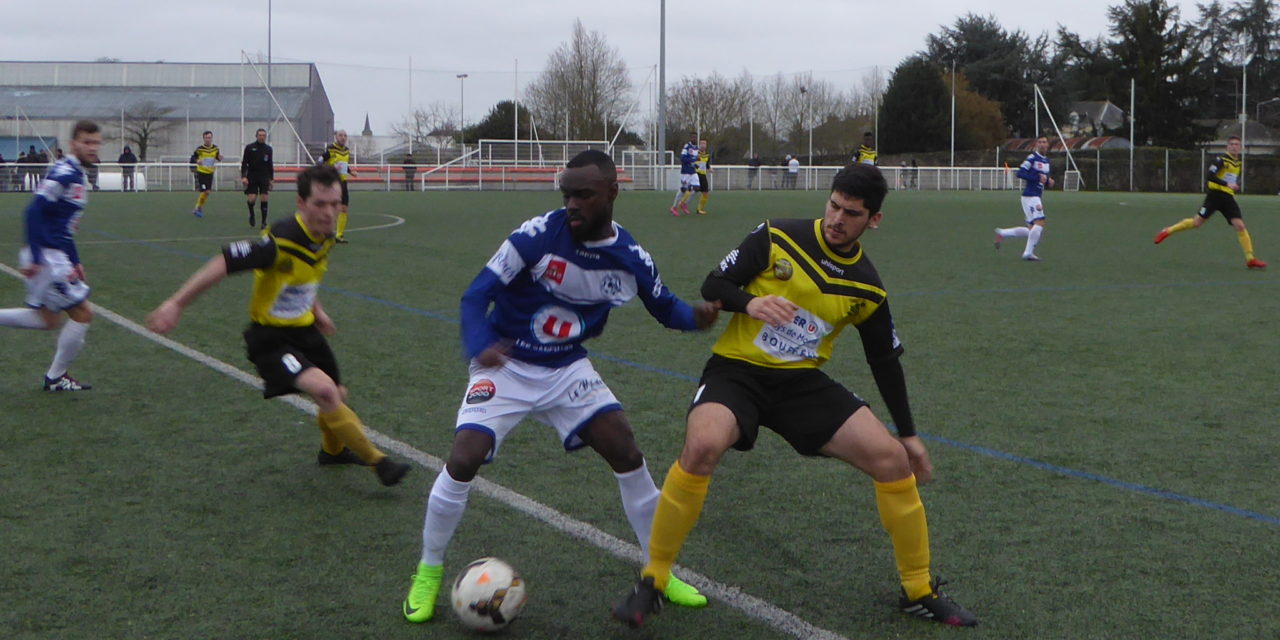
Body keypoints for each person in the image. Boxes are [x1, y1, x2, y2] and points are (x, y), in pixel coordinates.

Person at [612, 163, 979, 629]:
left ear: (874, 220)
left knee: (892, 461)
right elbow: (713, 285)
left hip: (801, 384)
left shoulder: (867, 285)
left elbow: (884, 362)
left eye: (851, 213)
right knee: (703, 445)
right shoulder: (776, 236)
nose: (836, 219)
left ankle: (918, 589)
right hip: (737, 373)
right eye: (833, 205)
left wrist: (908, 434)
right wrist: (751, 303)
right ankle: (654, 579)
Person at [402, 150, 718, 623]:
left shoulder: (629, 258)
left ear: (612, 192)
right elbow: (476, 295)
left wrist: (698, 316)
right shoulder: (534, 238)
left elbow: (666, 308)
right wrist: (481, 342)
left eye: (584, 195)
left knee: (626, 452)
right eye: (567, 194)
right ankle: (427, 572)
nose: (572, 204)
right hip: (506, 365)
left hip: (567, 369)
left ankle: (659, 572)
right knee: (464, 457)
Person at [146, 164, 412, 486]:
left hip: (305, 331)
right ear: (301, 203)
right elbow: (224, 262)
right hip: (271, 338)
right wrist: (176, 303)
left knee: (336, 394)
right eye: (320, 204)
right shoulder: (278, 242)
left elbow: (303, 276)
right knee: (326, 391)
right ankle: (379, 462)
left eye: (335, 204)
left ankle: (333, 452)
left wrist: (317, 309)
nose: (329, 213)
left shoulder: (324, 236)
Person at [0, 120, 102, 391]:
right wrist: (36, 256)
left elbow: (63, 227)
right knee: (83, 313)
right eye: (87, 142)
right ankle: (56, 377)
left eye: (96, 142)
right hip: (47, 257)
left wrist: (76, 260)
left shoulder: (75, 173)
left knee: (47, 320)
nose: (93, 148)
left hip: (55, 254)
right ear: (73, 144)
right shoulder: (66, 172)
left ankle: (56, 376)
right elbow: (33, 211)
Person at [1154, 135, 1266, 269]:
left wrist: (1231, 186)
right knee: (1197, 223)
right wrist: (1226, 184)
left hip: (1228, 198)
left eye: (1237, 144)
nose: (1234, 146)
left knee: (1240, 226)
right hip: (1214, 196)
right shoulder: (1221, 160)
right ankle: (1168, 230)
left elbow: (1231, 179)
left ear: (1240, 147)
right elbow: (1210, 176)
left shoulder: (1238, 163)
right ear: (1227, 147)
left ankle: (1250, 259)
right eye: (1232, 144)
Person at [994, 135, 1052, 261]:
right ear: (1037, 144)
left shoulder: (1046, 161)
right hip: (1031, 196)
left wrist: (1048, 182)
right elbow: (1020, 173)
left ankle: (1002, 233)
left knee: (1032, 230)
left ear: (1048, 145)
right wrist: (1037, 178)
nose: (1043, 144)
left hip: (1034, 197)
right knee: (1040, 223)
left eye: (1045, 142)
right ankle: (1028, 253)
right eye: (1040, 142)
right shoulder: (1032, 158)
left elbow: (1043, 178)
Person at [321, 130, 358, 243]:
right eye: (340, 135)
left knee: (344, 208)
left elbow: (343, 165)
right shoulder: (331, 149)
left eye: (345, 135)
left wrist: (351, 172)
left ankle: (339, 235)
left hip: (342, 182)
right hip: (332, 182)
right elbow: (320, 161)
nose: (343, 137)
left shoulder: (346, 150)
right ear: (336, 137)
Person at [240, 128, 274, 229]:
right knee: (252, 199)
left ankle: (264, 222)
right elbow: (244, 163)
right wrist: (244, 176)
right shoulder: (250, 147)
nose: (262, 137)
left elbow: (270, 164)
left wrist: (271, 178)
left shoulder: (268, 149)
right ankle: (252, 213)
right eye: (260, 135)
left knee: (264, 198)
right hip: (252, 176)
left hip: (264, 176)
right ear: (256, 136)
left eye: (264, 135)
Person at [191, 130, 222, 218]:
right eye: (206, 138)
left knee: (207, 192)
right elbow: (193, 158)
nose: (208, 139)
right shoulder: (199, 149)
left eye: (209, 137)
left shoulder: (215, 148)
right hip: (201, 172)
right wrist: (197, 160)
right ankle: (197, 208)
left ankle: (199, 208)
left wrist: (219, 158)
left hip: (210, 172)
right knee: (204, 191)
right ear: (203, 139)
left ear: (211, 138)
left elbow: (217, 156)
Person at [670, 131, 698, 216]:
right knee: (683, 190)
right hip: (685, 172)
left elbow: (694, 159)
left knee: (697, 188)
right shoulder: (686, 147)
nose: (694, 138)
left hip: (693, 172)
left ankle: (684, 204)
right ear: (690, 138)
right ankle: (674, 207)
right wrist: (692, 161)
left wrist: (695, 164)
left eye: (695, 137)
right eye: (693, 137)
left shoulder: (696, 148)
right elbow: (683, 158)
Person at [695, 140, 712, 215]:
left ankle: (700, 209)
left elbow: (707, 165)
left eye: (704, 143)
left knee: (705, 192)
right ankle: (682, 204)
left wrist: (709, 169)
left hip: (702, 175)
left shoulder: (707, 155)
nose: (703, 145)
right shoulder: (696, 153)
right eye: (702, 143)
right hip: (695, 174)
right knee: (691, 191)